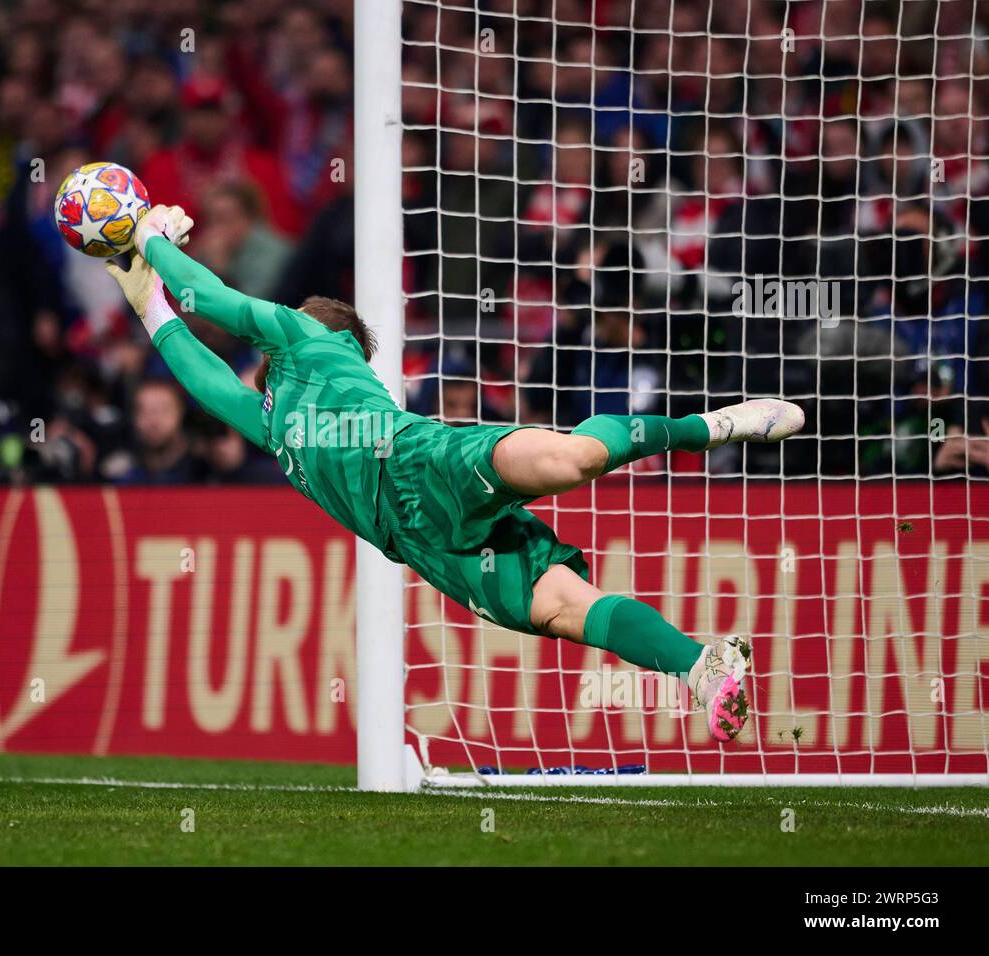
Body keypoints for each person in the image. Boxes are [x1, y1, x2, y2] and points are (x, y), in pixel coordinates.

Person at [106, 206, 806, 743]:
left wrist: (153, 238)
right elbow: (206, 375)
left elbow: (215, 300)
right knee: (566, 609)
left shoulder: (310, 347)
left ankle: (702, 428)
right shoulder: (277, 414)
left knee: (575, 458)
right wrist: (148, 302)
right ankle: (700, 664)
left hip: (428, 462)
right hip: (426, 546)